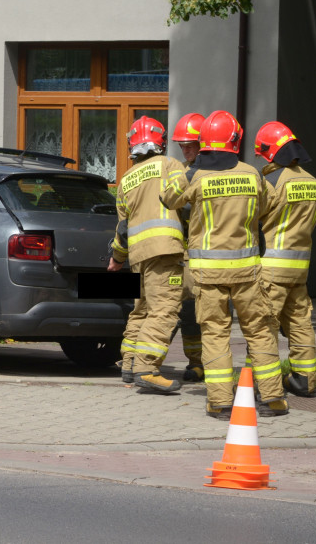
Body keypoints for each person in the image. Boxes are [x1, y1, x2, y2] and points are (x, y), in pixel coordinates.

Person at [161, 110, 288, 419]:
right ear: (235, 141)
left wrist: (189, 170)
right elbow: (270, 204)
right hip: (247, 272)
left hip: (208, 274)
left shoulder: (194, 176)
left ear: (204, 141)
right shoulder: (252, 173)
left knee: (215, 334)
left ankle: (220, 402)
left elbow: (167, 198)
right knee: (259, 331)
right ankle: (272, 399)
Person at [108, 116, 187, 393]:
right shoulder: (170, 165)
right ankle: (147, 368)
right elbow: (184, 200)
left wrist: (117, 258)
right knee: (164, 309)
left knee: (141, 310)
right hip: (165, 251)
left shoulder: (125, 180)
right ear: (160, 142)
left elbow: (122, 228)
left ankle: (130, 364)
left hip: (138, 257)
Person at [254, 121, 316, 397]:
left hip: (271, 268)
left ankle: (263, 385)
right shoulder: (314, 183)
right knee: (300, 323)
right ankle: (305, 381)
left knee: (264, 326)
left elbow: (254, 218)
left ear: (271, 152)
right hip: (300, 268)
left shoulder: (271, 182)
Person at [170, 112, 206, 382]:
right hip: (183, 254)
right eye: (182, 146)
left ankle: (201, 363)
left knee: (203, 315)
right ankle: (194, 362)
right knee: (184, 310)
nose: (185, 150)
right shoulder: (181, 172)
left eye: (190, 145)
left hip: (210, 254)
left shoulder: (214, 172)